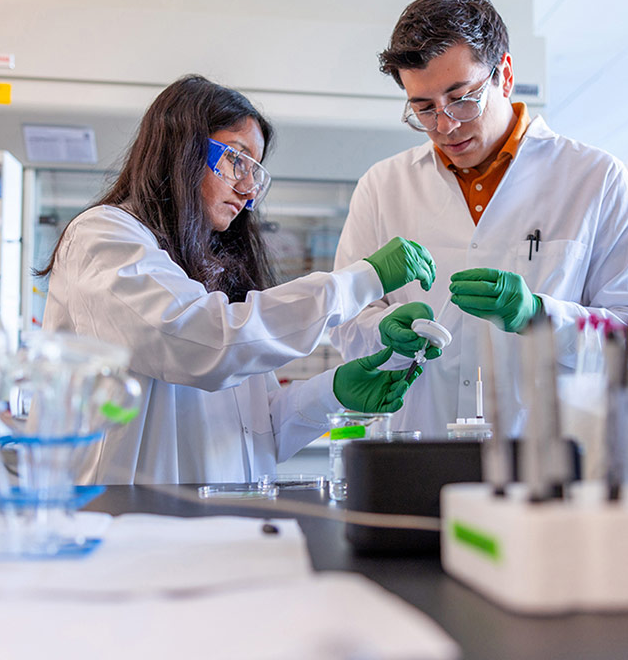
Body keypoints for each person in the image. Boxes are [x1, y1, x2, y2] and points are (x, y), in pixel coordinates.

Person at [39, 74, 438, 484]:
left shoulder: (214, 269)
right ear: (180, 149)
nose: (249, 190)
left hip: (226, 524)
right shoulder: (102, 238)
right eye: (237, 159)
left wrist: (333, 392)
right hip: (131, 527)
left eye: (257, 171)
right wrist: (360, 281)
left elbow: (256, 432)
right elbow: (202, 343)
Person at [331, 0, 628, 437]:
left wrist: (538, 316)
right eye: (424, 109)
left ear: (504, 75)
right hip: (418, 452)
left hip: (549, 463)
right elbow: (346, 324)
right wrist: (383, 332)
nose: (446, 125)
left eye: (462, 97)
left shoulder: (596, 179)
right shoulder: (382, 187)